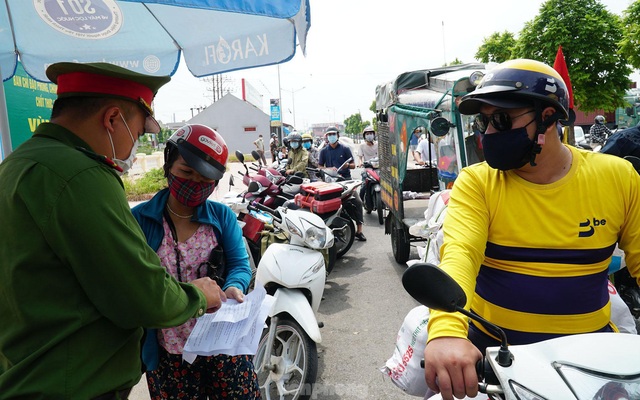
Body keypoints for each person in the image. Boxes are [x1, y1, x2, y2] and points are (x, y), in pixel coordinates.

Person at [0, 62, 225, 399]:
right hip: (73, 384)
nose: (133, 147)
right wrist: (198, 295)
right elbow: (143, 294)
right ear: (112, 119)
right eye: (136, 133)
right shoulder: (83, 176)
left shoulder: (15, 166)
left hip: (25, 372)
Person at [423, 59, 640, 400]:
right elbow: (460, 255)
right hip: (495, 357)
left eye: (502, 119)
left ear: (549, 117)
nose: (489, 133)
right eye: (484, 121)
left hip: (594, 355)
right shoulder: (477, 182)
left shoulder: (617, 177)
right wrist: (447, 333)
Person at [131, 124, 259, 399]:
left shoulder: (221, 217)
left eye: (204, 180)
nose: (193, 184)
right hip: (169, 353)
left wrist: (234, 286)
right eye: (186, 172)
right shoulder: (140, 220)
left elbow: (239, 264)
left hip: (222, 346)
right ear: (168, 167)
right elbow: (134, 283)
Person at [319, 126, 367, 241]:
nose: (331, 137)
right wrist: (329, 169)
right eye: (329, 135)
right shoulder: (324, 151)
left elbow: (353, 165)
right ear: (326, 137)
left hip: (346, 180)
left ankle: (359, 230)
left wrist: (347, 165)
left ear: (337, 135)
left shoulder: (345, 148)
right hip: (330, 182)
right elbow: (320, 166)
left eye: (333, 134)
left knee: (357, 202)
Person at [358, 126, 379, 212]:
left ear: (374, 135)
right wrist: (360, 162)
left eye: (371, 133)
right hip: (367, 169)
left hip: (378, 168)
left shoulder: (378, 144)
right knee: (363, 186)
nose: (369, 135)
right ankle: (362, 201)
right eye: (367, 134)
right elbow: (360, 157)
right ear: (364, 136)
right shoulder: (362, 146)